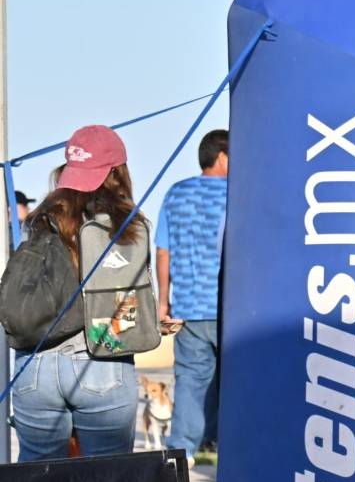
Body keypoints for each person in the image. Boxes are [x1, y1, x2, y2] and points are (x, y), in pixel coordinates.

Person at [11, 126, 153, 461]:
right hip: (101, 363)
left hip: (34, 366)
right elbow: (131, 303)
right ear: (116, 173)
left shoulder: (40, 221)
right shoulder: (125, 225)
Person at [153, 129, 229, 455]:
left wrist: (163, 301)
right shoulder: (239, 193)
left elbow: (163, 251)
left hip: (188, 308)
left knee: (191, 380)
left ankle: (182, 453)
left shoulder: (176, 194)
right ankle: (218, 444)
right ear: (223, 156)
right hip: (231, 307)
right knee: (232, 380)